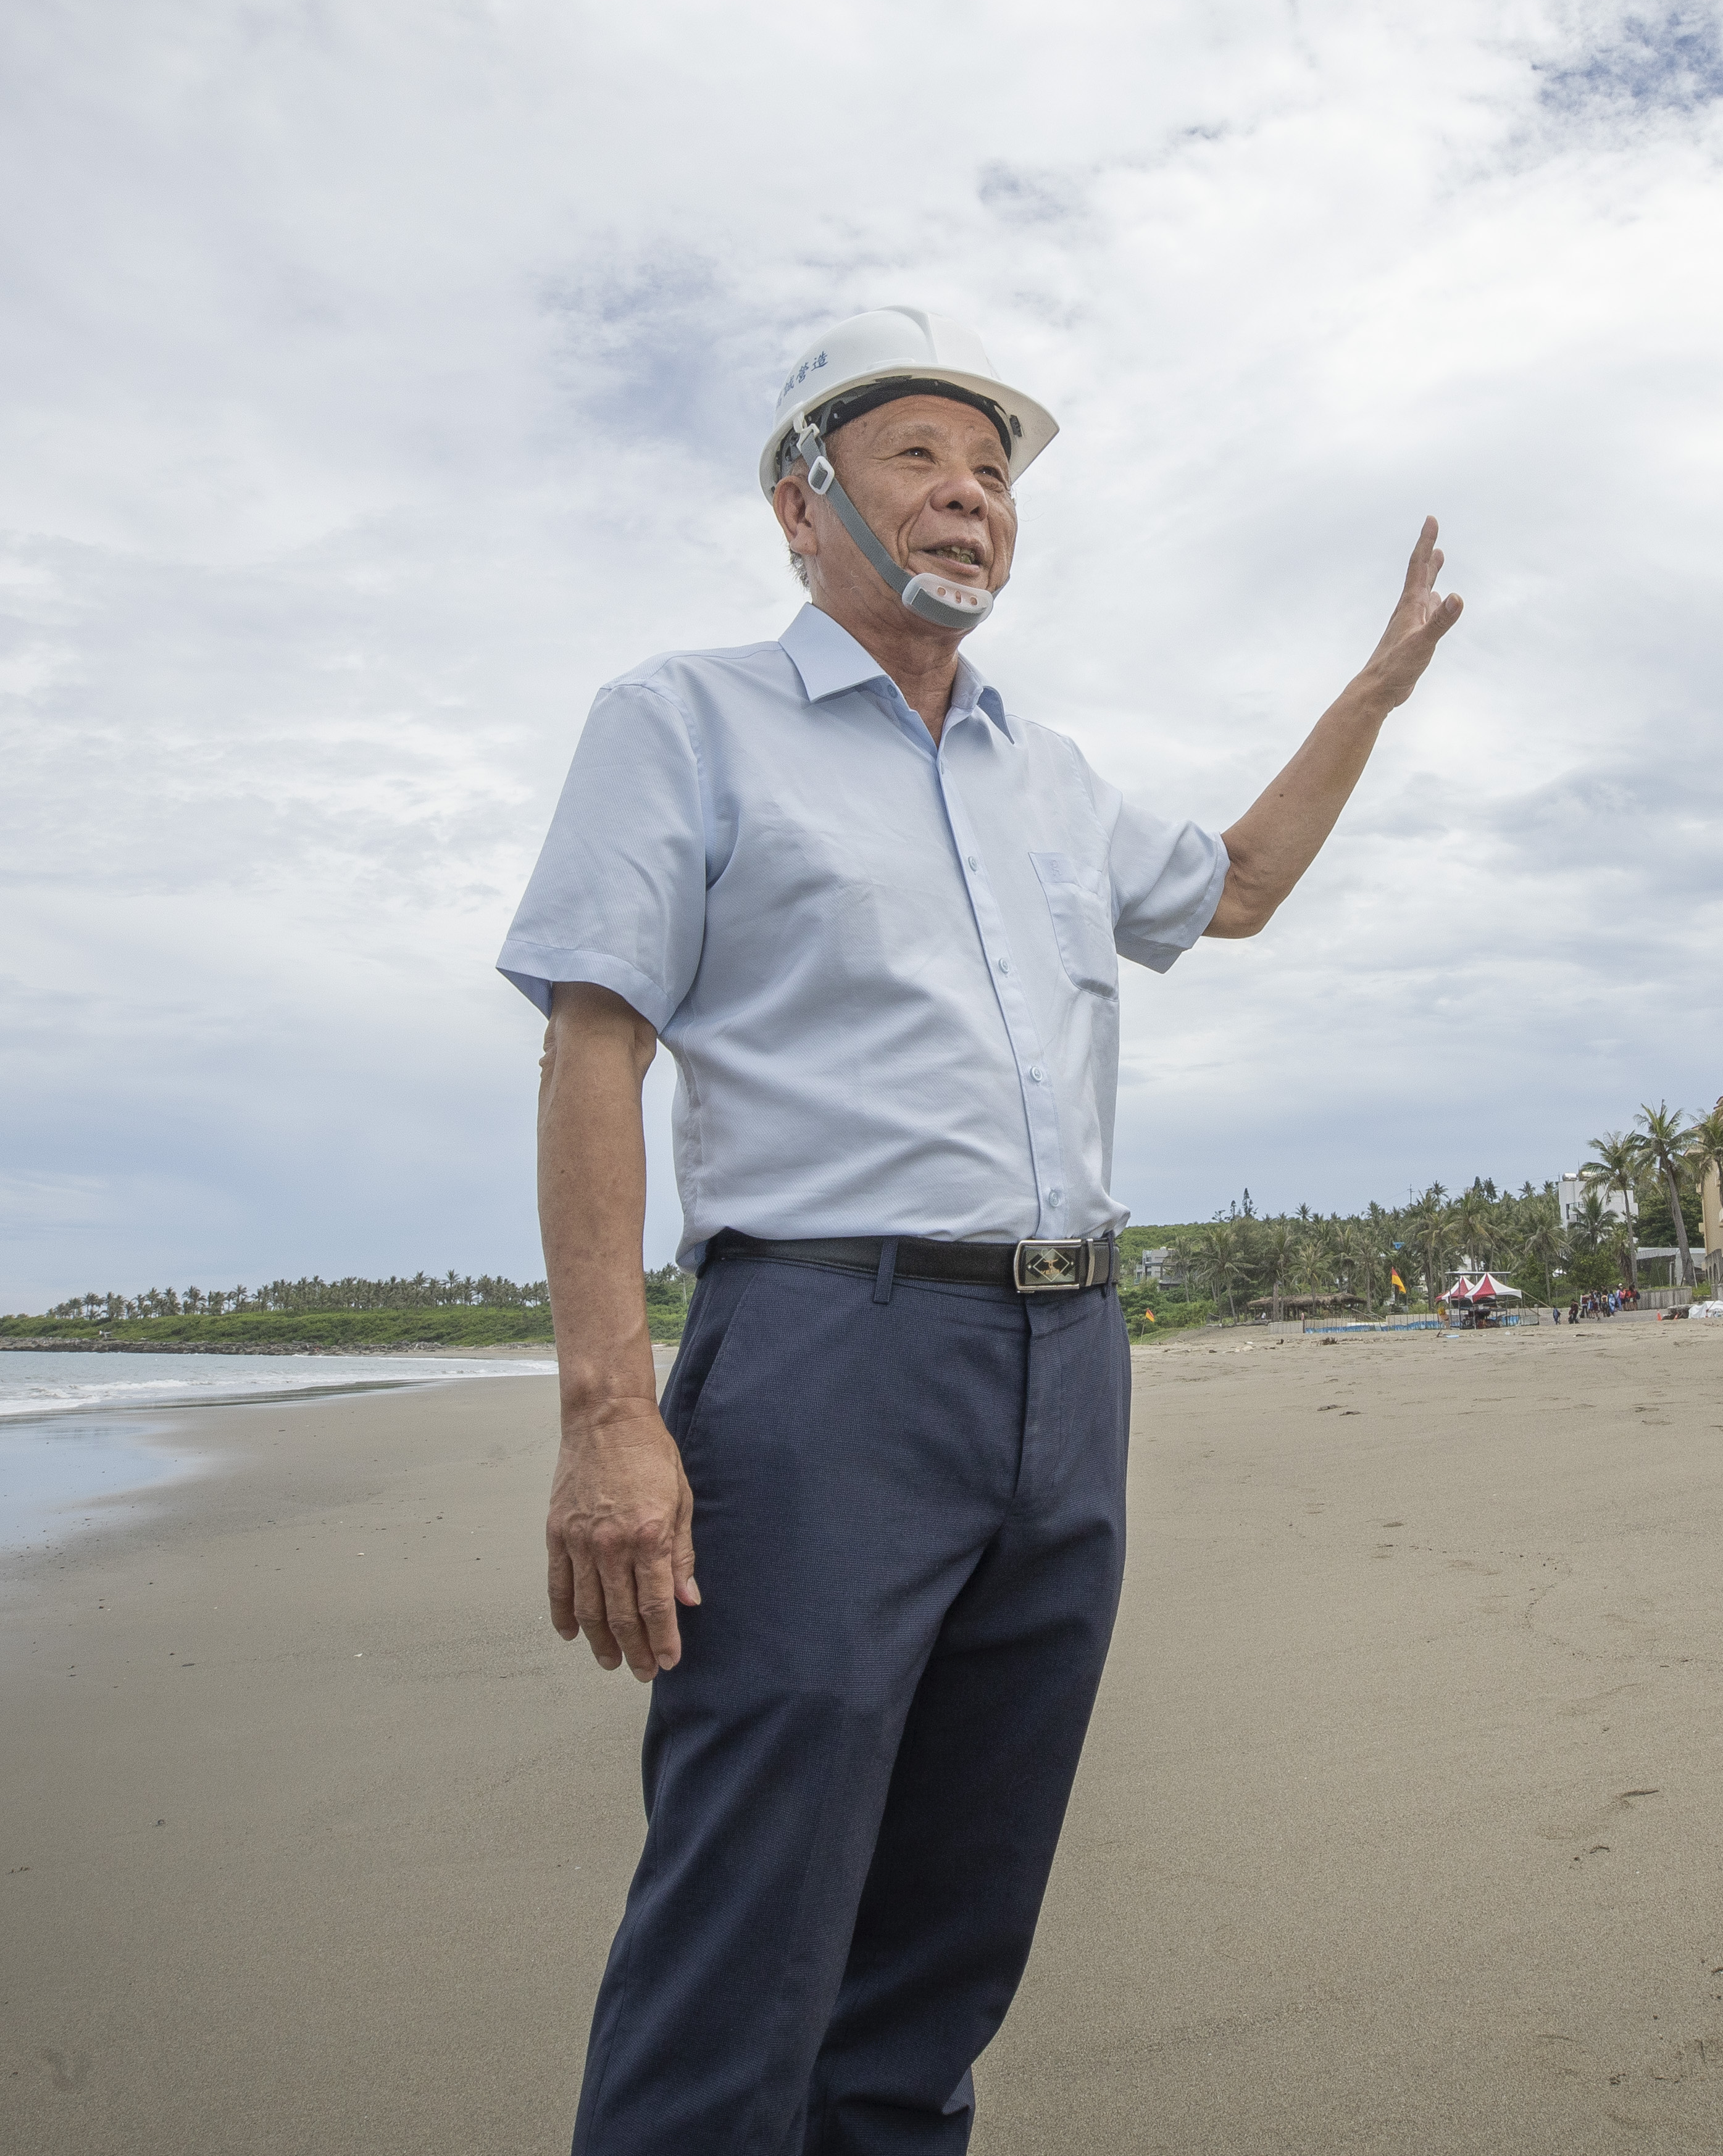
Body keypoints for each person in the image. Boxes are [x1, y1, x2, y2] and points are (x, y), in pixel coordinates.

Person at [500, 307, 1462, 2155]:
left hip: (1069, 1367)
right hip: (825, 1366)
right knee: (746, 1929)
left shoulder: (1048, 770)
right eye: (919, 458)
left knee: (947, 1939)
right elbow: (592, 1040)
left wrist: (1373, 693)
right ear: (803, 501)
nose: (968, 497)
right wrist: (608, 1407)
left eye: (995, 469)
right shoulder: (681, 721)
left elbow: (1239, 890)